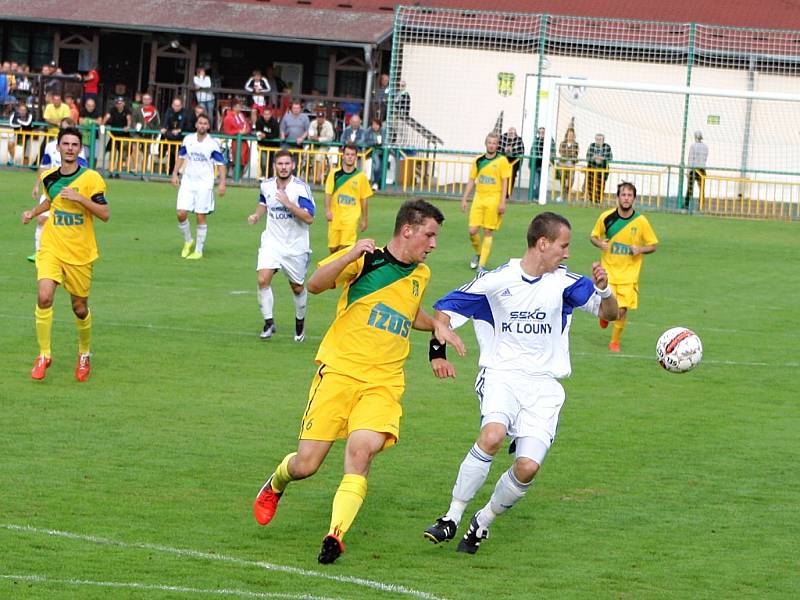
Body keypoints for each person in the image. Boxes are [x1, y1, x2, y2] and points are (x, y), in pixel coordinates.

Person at [252, 198, 465, 565]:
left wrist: (438, 326)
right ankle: (276, 483)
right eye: (429, 235)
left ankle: (334, 536)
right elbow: (315, 285)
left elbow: (408, 312)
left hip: (383, 383)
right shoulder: (366, 261)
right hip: (338, 373)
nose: (433, 244)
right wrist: (350, 253)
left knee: (361, 451)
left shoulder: (420, 274)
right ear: (407, 230)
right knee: (306, 465)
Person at [423, 211, 618, 554]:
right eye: (564, 245)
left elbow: (610, 314)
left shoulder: (567, 284)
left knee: (527, 467)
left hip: (544, 387)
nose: (567, 253)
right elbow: (445, 309)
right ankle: (451, 516)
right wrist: (437, 351)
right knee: (493, 435)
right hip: (502, 376)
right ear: (543, 244)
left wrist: (604, 290)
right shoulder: (497, 281)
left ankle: (482, 521)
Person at [21, 126, 110, 382]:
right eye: (65, 144)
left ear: (79, 149)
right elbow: (52, 201)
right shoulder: (49, 177)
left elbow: (104, 214)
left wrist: (80, 199)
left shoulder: (91, 178)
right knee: (44, 295)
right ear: (58, 147)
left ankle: (84, 353)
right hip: (52, 247)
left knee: (79, 308)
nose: (70, 148)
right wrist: (33, 213)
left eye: (74, 144)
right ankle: (44, 354)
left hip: (80, 253)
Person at [247, 150, 314, 341]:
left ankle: (299, 324)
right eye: (280, 164)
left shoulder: (300, 189)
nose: (283, 167)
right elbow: (263, 202)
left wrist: (288, 204)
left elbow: (309, 218)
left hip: (295, 246)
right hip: (272, 242)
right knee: (262, 280)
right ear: (274, 166)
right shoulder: (266, 185)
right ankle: (269, 323)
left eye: (287, 164)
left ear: (292, 165)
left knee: (297, 288)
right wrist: (257, 215)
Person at [590, 182, 658, 352]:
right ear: (617, 197)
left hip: (629, 275)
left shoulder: (641, 221)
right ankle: (605, 315)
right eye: (623, 195)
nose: (626, 198)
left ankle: (614, 341)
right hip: (609, 271)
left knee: (621, 311)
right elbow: (593, 236)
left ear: (634, 198)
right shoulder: (606, 217)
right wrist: (600, 243)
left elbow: (653, 245)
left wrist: (640, 249)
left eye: (629, 195)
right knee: (609, 306)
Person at [28, 117, 89, 262]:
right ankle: (39, 252)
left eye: (66, 127)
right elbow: (44, 166)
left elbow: (82, 170)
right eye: (61, 127)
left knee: (64, 222)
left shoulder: (76, 150)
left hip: (69, 190)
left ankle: (65, 251)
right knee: (41, 219)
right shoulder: (50, 146)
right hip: (51, 187)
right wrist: (37, 185)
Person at [171, 114, 226, 260]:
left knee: (200, 215)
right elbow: (181, 157)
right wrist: (175, 174)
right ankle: (188, 241)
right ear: (196, 124)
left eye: (205, 123)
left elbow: (220, 164)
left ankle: (199, 250)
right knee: (180, 213)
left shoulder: (212, 144)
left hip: (204, 183)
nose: (202, 125)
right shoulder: (188, 139)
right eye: (200, 123)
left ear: (208, 126)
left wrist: (222, 183)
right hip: (188, 181)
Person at [461, 132, 511, 274]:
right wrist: (465, 198)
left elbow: (505, 181)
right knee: (472, 231)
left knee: (488, 231)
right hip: (479, 198)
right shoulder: (478, 160)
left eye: (494, 143)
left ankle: (481, 266)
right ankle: (478, 253)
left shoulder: (502, 161)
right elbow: (472, 180)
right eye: (490, 143)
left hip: (493, 199)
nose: (492, 145)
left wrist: (503, 202)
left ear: (497, 145)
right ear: (486, 143)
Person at [324, 143, 373, 253]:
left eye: (352, 155)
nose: (350, 157)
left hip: (351, 218)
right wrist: (327, 210)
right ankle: (335, 269)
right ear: (343, 156)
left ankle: (342, 268)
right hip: (335, 217)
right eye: (347, 154)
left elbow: (364, 199)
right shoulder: (334, 174)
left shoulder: (361, 177)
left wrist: (364, 219)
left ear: (356, 157)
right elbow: (328, 193)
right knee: (333, 249)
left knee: (345, 248)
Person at [161, 97, 193, 174]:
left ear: (181, 105)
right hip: (171, 138)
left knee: (179, 156)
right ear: (172, 105)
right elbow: (165, 121)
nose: (176, 107)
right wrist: (164, 127)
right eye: (175, 105)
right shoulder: (169, 111)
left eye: (178, 105)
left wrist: (180, 130)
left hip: (181, 139)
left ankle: (176, 172)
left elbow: (187, 125)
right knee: (171, 155)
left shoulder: (186, 112)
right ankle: (170, 172)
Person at [103, 96, 132, 175]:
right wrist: (102, 124)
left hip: (124, 135)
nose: (119, 105)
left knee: (121, 153)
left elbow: (129, 119)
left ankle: (118, 171)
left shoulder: (127, 110)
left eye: (121, 103)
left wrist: (128, 126)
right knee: (112, 152)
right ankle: (111, 170)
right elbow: (107, 116)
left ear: (124, 103)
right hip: (114, 135)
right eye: (118, 103)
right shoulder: (113, 109)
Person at [221, 101, 250, 176]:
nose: (240, 108)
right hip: (233, 142)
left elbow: (247, 125)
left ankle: (240, 177)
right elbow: (227, 130)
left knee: (244, 160)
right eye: (239, 106)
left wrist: (245, 131)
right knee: (234, 160)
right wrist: (239, 132)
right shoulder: (228, 117)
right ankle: (233, 177)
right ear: (234, 107)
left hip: (243, 141)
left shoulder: (241, 115)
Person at [307, 109, 335, 184]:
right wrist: (312, 137)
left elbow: (330, 137)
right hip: (313, 145)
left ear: (324, 118)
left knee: (319, 156)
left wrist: (319, 139)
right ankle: (309, 176)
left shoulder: (328, 124)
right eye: (318, 117)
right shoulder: (313, 123)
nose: (320, 119)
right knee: (306, 155)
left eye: (321, 117)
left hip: (324, 145)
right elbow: (310, 134)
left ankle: (318, 178)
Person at [253, 106, 280, 179]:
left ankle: (270, 178)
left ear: (271, 114)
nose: (266, 116)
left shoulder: (275, 122)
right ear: (263, 114)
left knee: (271, 163)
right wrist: (260, 135)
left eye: (268, 114)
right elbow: (258, 132)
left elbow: (276, 134)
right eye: (265, 114)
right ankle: (264, 176)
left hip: (273, 147)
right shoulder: (259, 121)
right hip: (262, 146)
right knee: (263, 162)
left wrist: (265, 135)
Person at [585, 133, 612, 204]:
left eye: (600, 139)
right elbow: (588, 157)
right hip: (592, 166)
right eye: (596, 139)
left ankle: (599, 200)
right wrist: (594, 158)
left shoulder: (607, 147)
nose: (598, 141)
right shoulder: (592, 145)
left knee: (601, 184)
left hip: (602, 168)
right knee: (590, 183)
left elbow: (610, 158)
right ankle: (592, 199)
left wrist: (601, 158)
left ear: (603, 140)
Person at [685, 130, 708, 210]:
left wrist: (688, 171)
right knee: (702, 188)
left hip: (694, 169)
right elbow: (705, 159)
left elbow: (690, 159)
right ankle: (701, 205)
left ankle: (687, 204)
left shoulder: (693, 146)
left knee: (690, 187)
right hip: (702, 169)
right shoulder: (706, 147)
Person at [499, 127, 525, 192]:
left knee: (512, 176)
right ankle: (500, 191)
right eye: (509, 131)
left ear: (515, 133)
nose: (510, 133)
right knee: (501, 175)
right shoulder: (502, 138)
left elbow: (521, 151)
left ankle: (508, 193)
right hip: (504, 160)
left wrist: (512, 150)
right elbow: (498, 149)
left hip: (514, 161)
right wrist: (504, 150)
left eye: (512, 132)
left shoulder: (518, 140)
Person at [7, 101, 33, 166]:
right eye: (21, 110)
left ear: (26, 111)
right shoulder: (14, 114)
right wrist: (20, 125)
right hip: (16, 134)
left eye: (24, 110)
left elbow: (27, 124)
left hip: (27, 135)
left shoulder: (30, 115)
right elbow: (11, 124)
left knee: (26, 156)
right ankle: (12, 159)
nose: (22, 111)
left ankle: (25, 166)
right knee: (10, 144)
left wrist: (18, 121)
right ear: (18, 110)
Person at [557, 127, 579, 201]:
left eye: (572, 135)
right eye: (569, 135)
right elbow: (561, 152)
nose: (570, 136)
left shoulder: (576, 144)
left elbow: (575, 154)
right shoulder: (563, 143)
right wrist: (569, 154)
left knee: (571, 178)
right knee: (562, 177)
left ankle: (567, 191)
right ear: (567, 135)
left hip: (571, 164)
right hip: (563, 163)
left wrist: (569, 155)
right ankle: (562, 193)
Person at [364, 117, 385, 190]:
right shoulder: (369, 130)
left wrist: (382, 143)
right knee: (377, 166)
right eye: (373, 124)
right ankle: (375, 183)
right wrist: (374, 143)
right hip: (374, 150)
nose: (375, 126)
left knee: (381, 168)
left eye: (376, 125)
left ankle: (378, 184)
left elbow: (385, 141)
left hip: (383, 151)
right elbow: (366, 140)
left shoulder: (383, 131)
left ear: (380, 125)